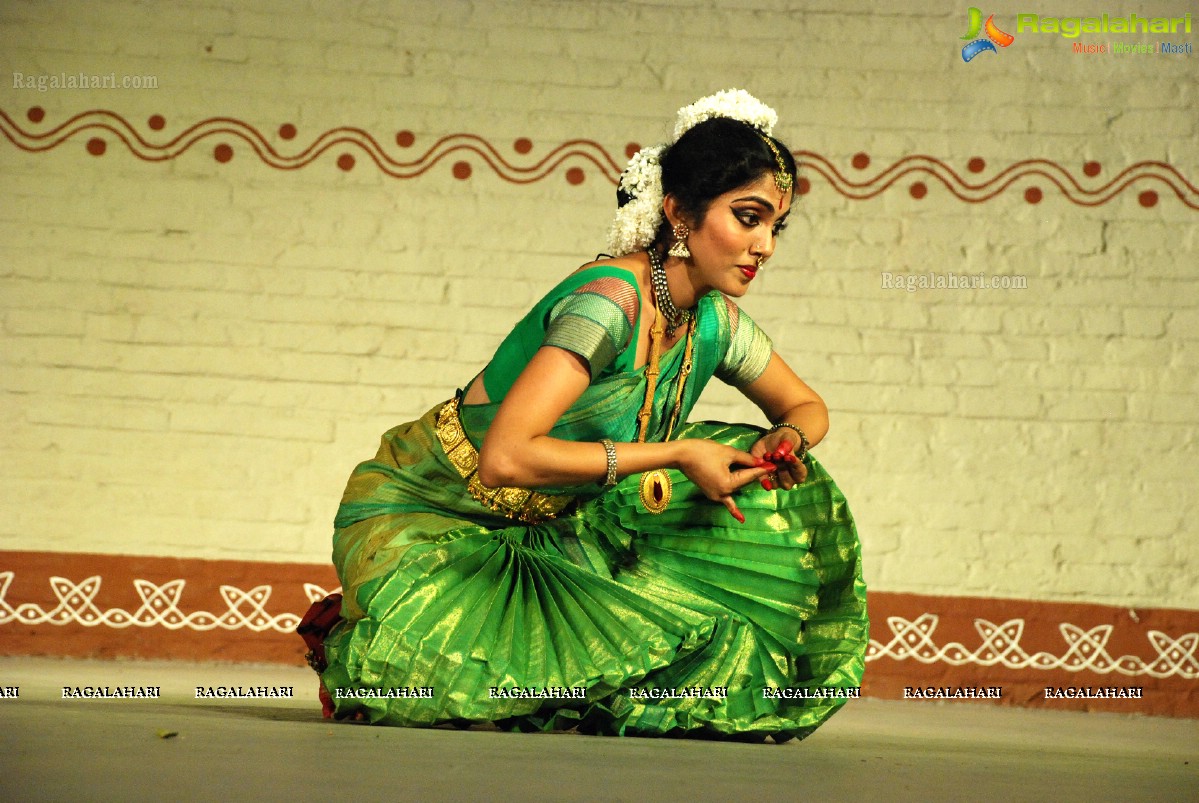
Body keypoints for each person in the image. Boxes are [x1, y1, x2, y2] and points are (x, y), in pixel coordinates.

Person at [298, 90, 868, 743]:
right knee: (442, 689)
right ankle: (366, 621)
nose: (763, 244)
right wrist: (681, 453)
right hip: (437, 521)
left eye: (775, 226)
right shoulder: (607, 305)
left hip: (562, 531)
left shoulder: (713, 321)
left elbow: (805, 406)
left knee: (715, 644)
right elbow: (504, 457)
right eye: (748, 217)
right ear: (679, 213)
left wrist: (783, 439)